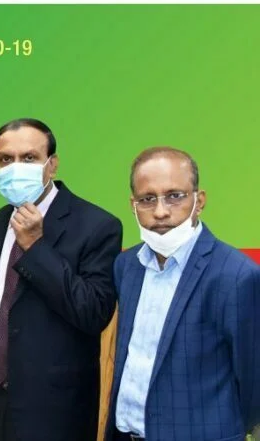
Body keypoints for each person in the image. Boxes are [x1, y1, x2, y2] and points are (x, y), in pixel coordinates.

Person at [0, 118, 122, 441]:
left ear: (52, 164)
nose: (16, 167)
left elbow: (93, 313)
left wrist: (36, 247)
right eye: (6, 159)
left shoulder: (97, 225)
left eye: (29, 158)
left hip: (52, 407)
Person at [109, 147, 260, 440]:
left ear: (199, 201)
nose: (161, 211)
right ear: (133, 205)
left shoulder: (237, 275)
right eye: (147, 199)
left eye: (174, 196)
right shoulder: (126, 266)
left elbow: (254, 383)